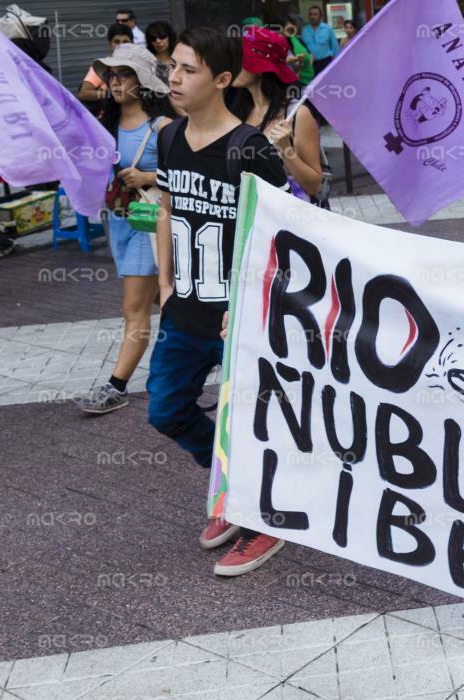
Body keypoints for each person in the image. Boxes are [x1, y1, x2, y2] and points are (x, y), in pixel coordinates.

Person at [149, 27, 291, 576]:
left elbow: (285, 236)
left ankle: (264, 519)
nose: (175, 79)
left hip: (240, 320)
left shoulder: (249, 149)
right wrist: (164, 283)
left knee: (253, 425)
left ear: (223, 79)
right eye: (173, 67)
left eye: (189, 70)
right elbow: (165, 209)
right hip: (184, 309)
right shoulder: (168, 137)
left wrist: (252, 301)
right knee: (166, 409)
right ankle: (232, 492)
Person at [78, 44, 173, 416]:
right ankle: (210, 347)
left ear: (144, 80)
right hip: (120, 222)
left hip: (151, 224)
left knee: (133, 307)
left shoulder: (162, 125)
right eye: (113, 75)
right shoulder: (103, 121)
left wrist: (148, 175)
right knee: (162, 301)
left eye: (126, 74)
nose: (116, 82)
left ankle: (116, 386)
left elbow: (186, 174)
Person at [231, 26, 324, 201]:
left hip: (290, 220)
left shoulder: (297, 115)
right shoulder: (237, 112)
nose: (232, 65)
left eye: (240, 59)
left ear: (260, 68)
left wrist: (285, 148)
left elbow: (313, 186)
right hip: (249, 220)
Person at [78, 24, 135, 104]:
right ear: (110, 44)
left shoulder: (138, 66)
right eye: (117, 42)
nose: (121, 46)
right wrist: (111, 94)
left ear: (132, 44)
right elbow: (83, 93)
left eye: (125, 42)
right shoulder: (102, 65)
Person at [300, 5, 339, 77]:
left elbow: (335, 48)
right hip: (310, 64)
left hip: (325, 63)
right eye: (310, 14)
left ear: (320, 16)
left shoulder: (327, 29)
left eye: (315, 14)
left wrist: (336, 65)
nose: (312, 16)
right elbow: (301, 48)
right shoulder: (304, 30)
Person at [282, 14, 317, 87]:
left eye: (293, 24)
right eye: (287, 24)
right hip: (296, 82)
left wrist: (305, 63)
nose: (292, 27)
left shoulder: (296, 39)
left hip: (307, 80)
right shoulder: (282, 42)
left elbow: (310, 54)